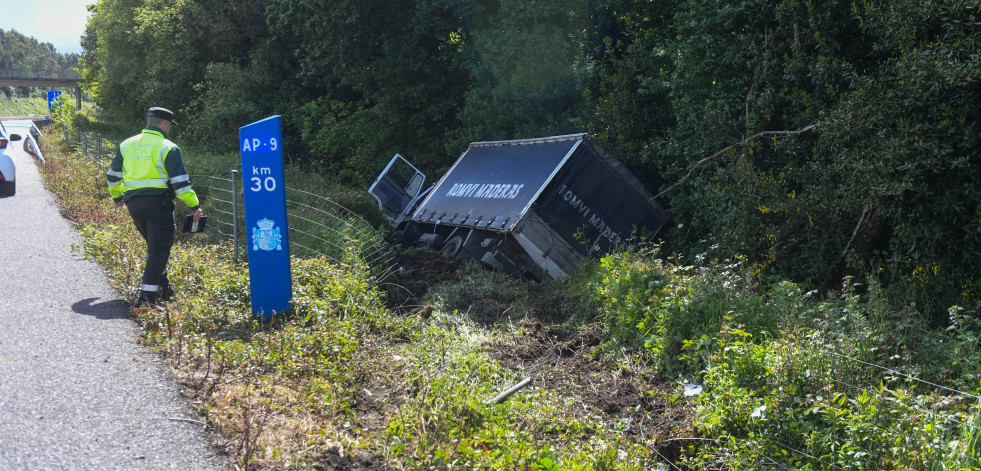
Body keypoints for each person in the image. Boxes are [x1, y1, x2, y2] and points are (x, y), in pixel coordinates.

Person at [106, 107, 204, 307]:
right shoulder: (168, 147)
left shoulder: (127, 144)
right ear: (165, 124)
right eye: (170, 126)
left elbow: (112, 176)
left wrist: (116, 196)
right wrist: (195, 206)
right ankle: (147, 299)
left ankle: (164, 287)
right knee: (159, 248)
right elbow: (181, 184)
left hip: (133, 205)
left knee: (156, 246)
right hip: (157, 205)